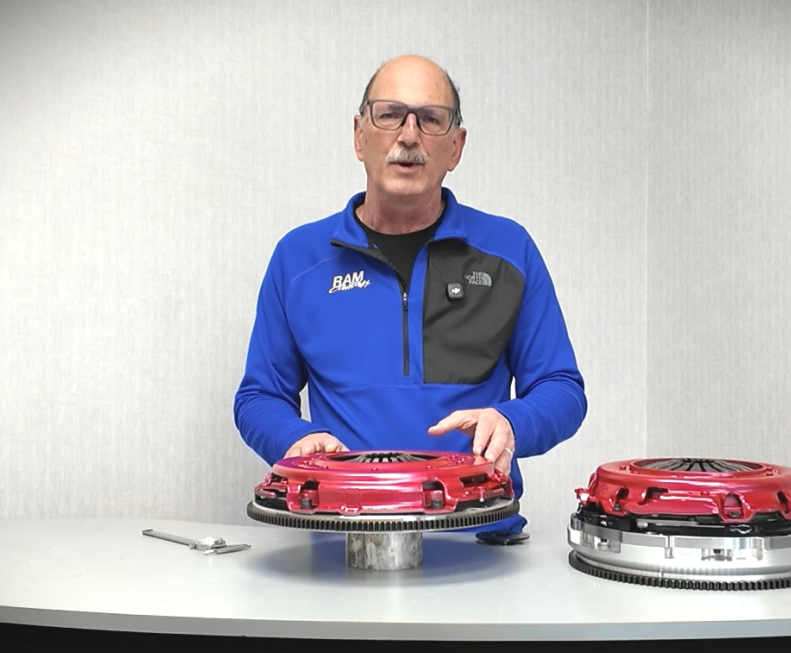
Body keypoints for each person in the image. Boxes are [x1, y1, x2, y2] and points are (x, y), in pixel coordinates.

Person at [233, 55, 586, 533]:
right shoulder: (298, 259)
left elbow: (562, 389)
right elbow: (259, 396)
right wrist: (298, 436)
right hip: (341, 541)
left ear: (456, 147)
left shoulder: (509, 251)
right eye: (390, 114)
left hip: (476, 544)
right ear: (359, 135)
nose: (409, 135)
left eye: (432, 119)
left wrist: (513, 421)